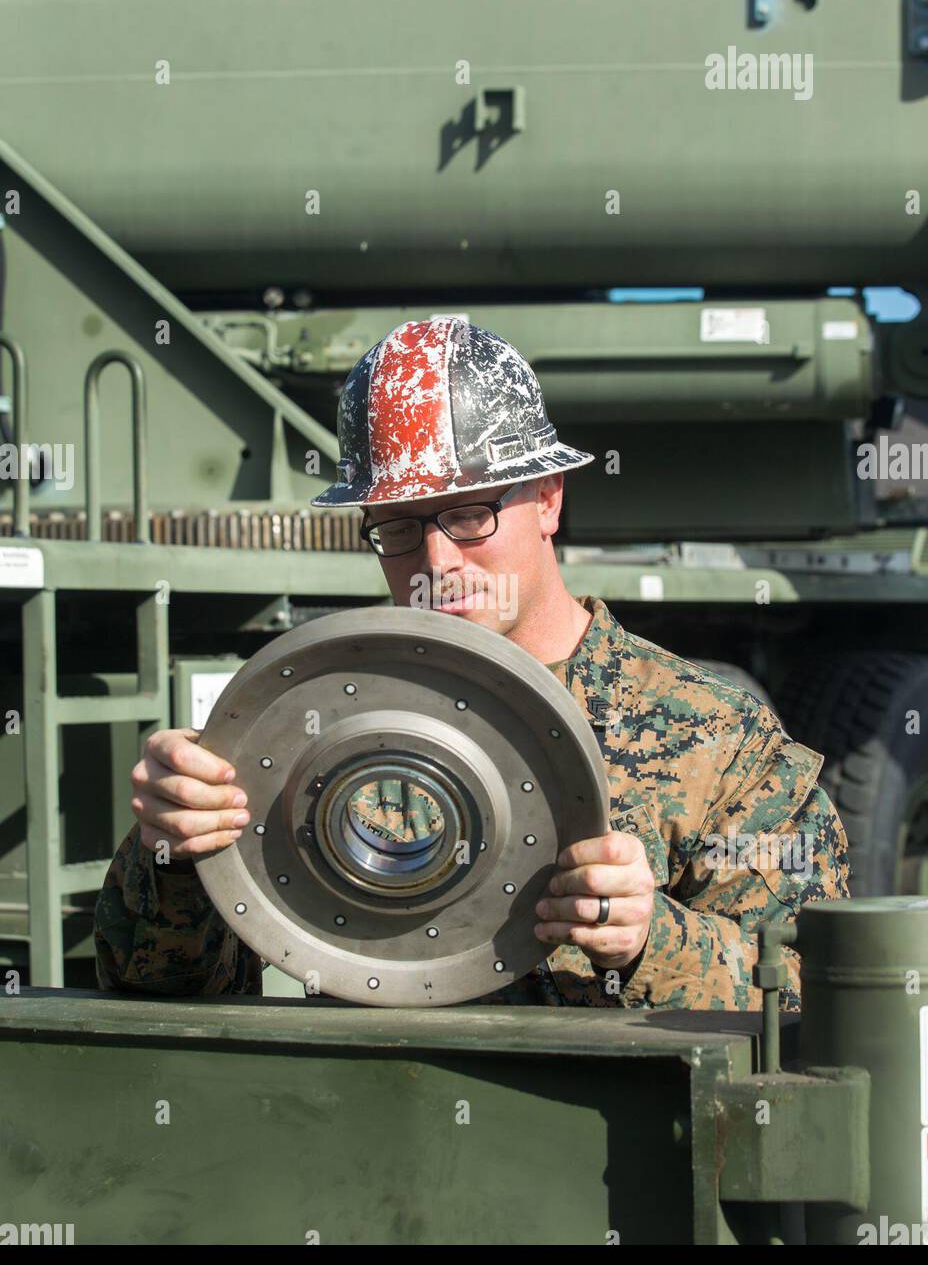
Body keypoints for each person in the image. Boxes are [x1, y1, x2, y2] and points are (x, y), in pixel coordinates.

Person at [94, 316, 849, 1009]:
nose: (437, 559)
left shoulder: (719, 743)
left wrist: (652, 940)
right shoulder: (310, 725)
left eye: (469, 513)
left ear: (549, 499)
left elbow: (817, 997)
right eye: (397, 526)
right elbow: (163, 992)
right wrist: (175, 850)